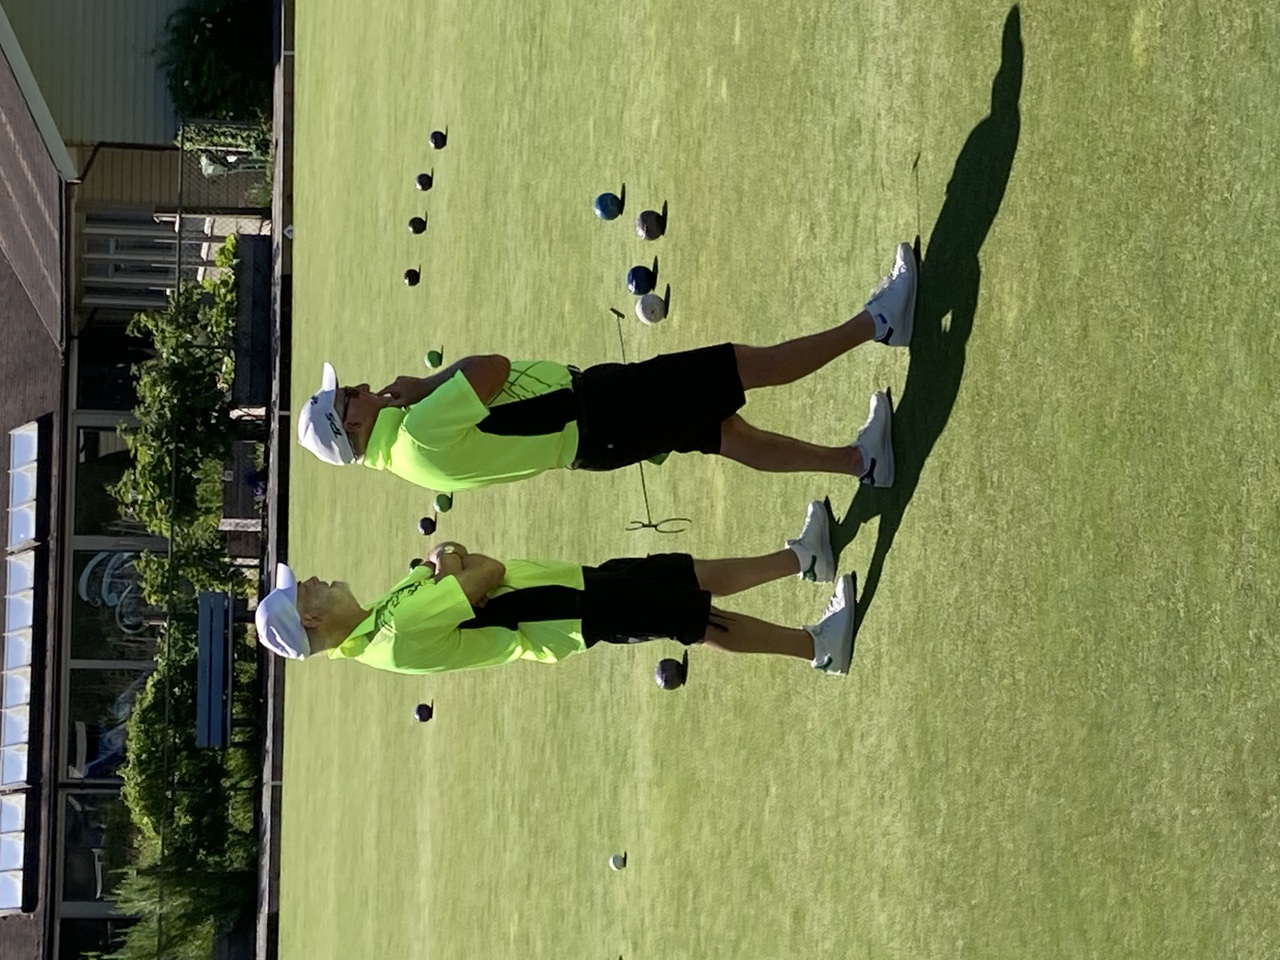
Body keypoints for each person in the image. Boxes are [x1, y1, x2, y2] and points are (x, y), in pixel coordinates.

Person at [296, 243, 916, 492]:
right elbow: (491, 369)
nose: (359, 387)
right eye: (348, 397)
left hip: (598, 432)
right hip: (602, 413)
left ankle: (860, 462)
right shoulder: (414, 431)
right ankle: (880, 323)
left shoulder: (405, 459)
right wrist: (425, 385)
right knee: (740, 366)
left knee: (727, 434)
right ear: (353, 428)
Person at [254, 502, 860, 677]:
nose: (313, 580)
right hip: (566, 613)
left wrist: (452, 560)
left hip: (566, 586)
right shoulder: (392, 631)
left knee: (681, 574)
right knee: (692, 618)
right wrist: (455, 562)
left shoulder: (379, 618)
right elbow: (483, 570)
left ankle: (801, 558)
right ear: (312, 621)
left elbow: (456, 560)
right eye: (304, 591)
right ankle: (819, 648)